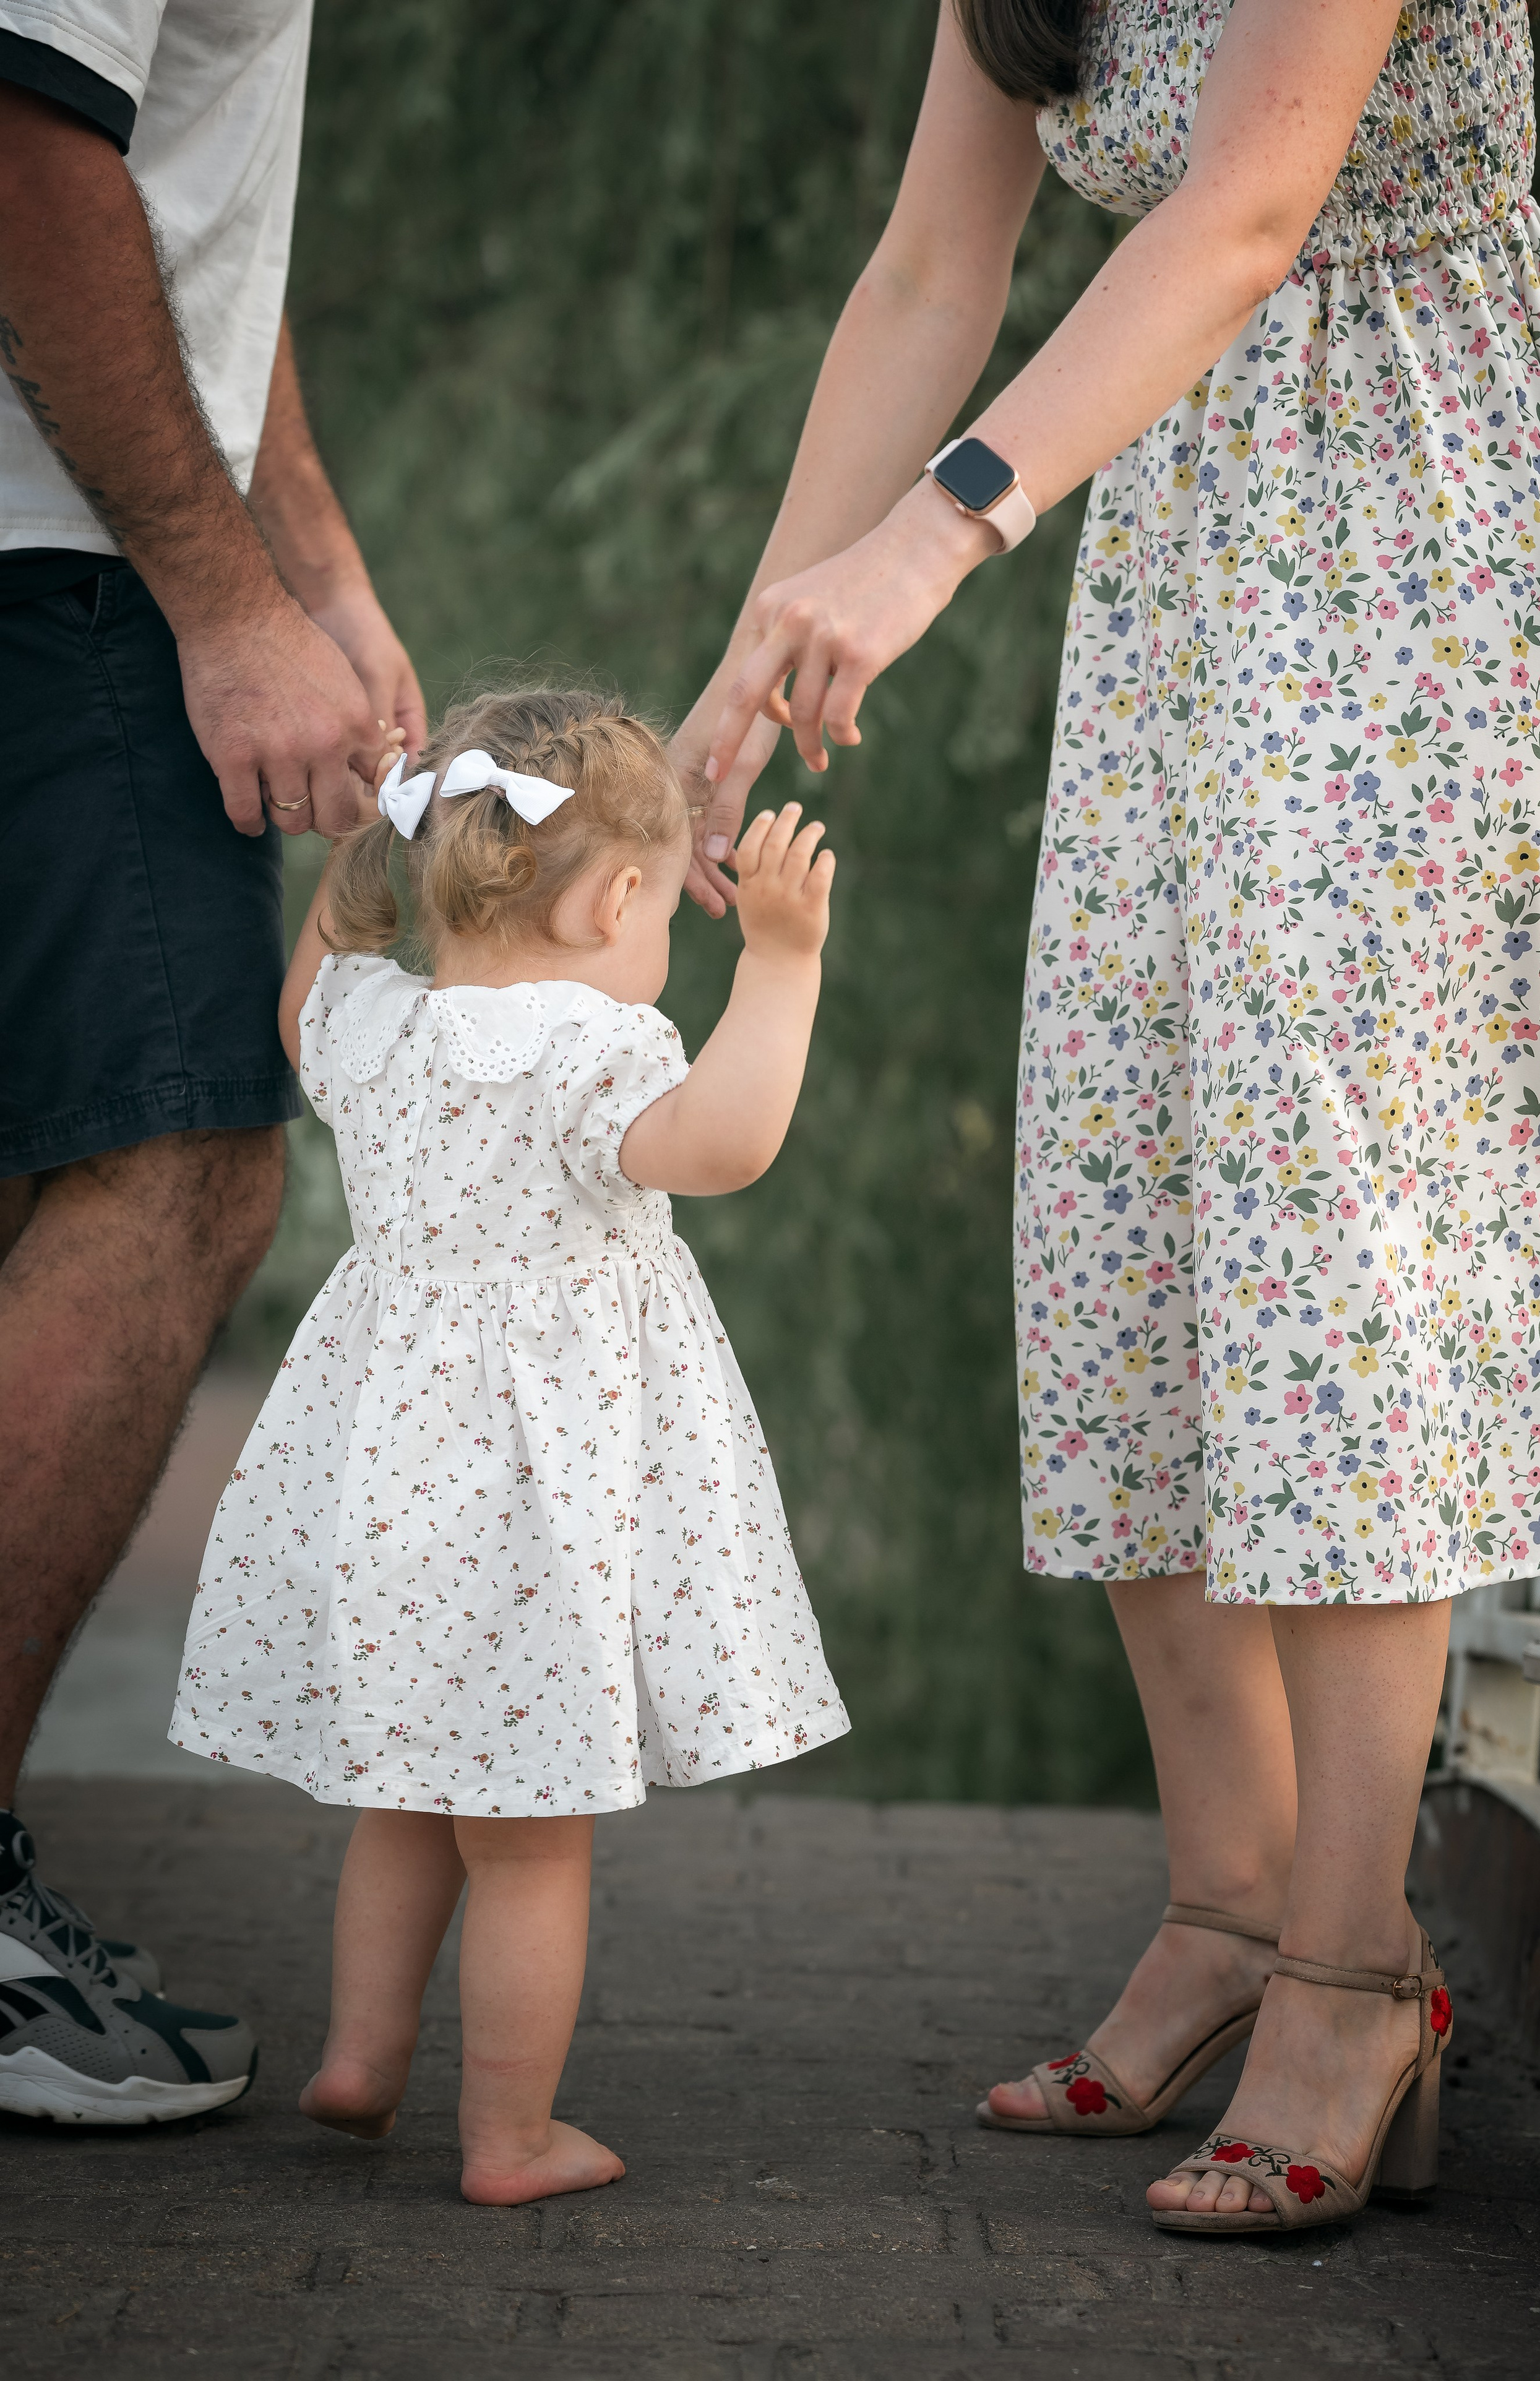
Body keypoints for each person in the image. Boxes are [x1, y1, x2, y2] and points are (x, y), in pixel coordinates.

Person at [675, 0, 1540, 2233]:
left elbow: (1250, 206)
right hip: (1174, 534)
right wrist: (760, 632)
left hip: (1408, 544)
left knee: (1331, 1240)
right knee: (1136, 1212)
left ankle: (1361, 1973)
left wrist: (933, 540)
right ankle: (1233, 1899)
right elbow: (926, 276)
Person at [167, 684, 850, 2202]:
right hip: (535, 1508)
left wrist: (358, 866)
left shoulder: (370, 1023)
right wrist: (785, 965)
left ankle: (358, 2053)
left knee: (408, 1786)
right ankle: (509, 2134)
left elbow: (308, 992)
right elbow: (725, 1144)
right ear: (618, 896)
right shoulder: (593, 1049)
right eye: (665, 904)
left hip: (382, 1479)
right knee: (530, 1834)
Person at [0, 3, 423, 2120]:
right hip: (51, 554)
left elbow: (184, 203)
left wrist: (313, 569)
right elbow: (31, 140)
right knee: (177, 1155)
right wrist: (221, 597)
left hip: (84, 526)